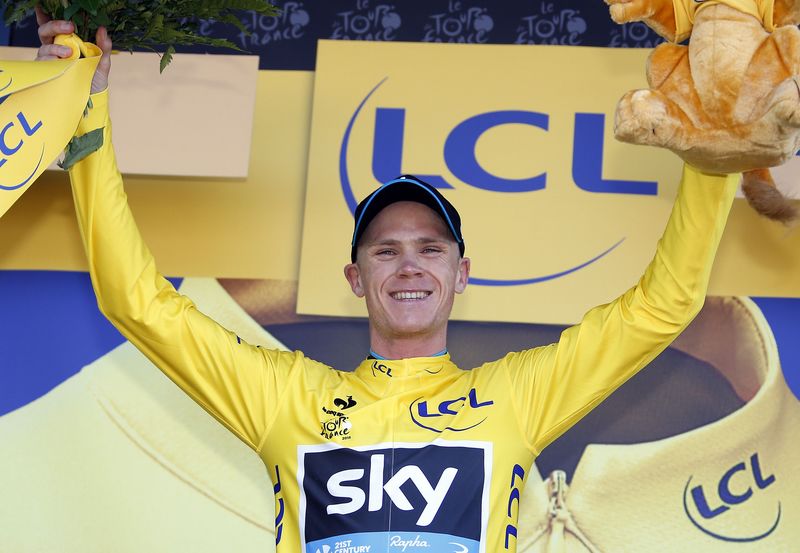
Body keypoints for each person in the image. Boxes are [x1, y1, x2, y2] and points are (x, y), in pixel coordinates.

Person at [36, 12, 740, 553]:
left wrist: (716, 158)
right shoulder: (286, 395)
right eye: (386, 250)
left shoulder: (515, 396)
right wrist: (89, 110)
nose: (409, 266)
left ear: (461, 274)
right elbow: (135, 301)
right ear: (355, 275)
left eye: (431, 249)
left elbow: (662, 307)